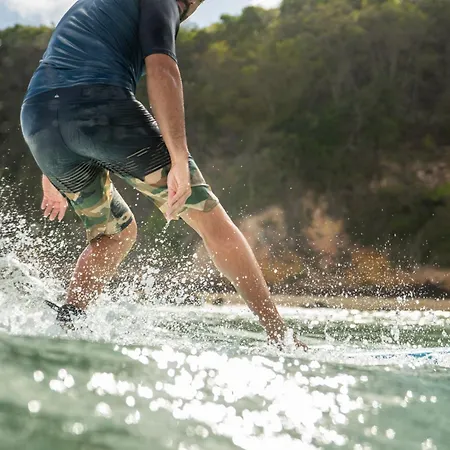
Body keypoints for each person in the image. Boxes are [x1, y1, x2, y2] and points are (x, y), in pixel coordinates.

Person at [20, 0, 306, 350]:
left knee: (114, 233)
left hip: (39, 123)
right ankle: (281, 337)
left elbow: (59, 80)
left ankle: (68, 326)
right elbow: (162, 70)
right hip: (100, 109)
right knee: (212, 223)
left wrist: (50, 169)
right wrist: (179, 158)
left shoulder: (93, 6)